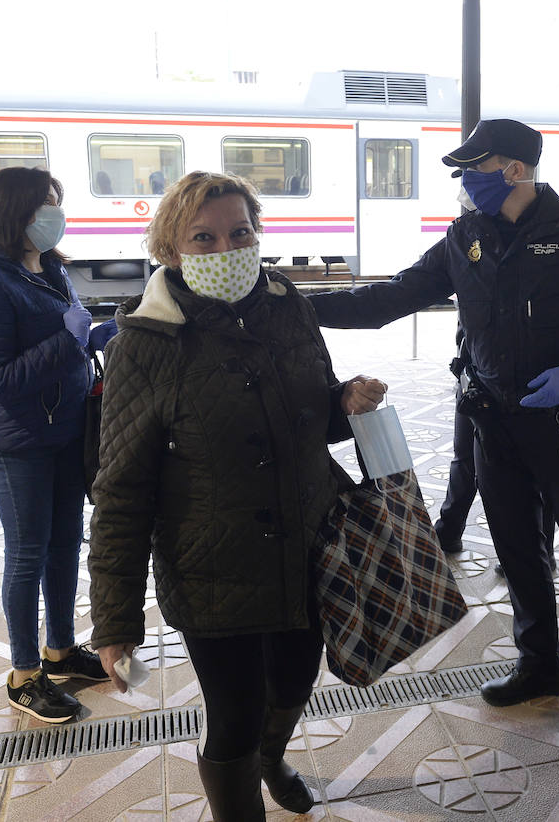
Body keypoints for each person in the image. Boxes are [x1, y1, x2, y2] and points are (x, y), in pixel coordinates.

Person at [309, 120, 559, 741]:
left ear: (513, 169)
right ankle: (540, 667)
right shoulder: (466, 235)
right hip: (493, 423)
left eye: (475, 167)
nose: (465, 181)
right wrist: (294, 302)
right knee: (520, 552)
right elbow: (390, 299)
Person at [86, 171, 386, 820]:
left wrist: (346, 404)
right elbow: (120, 491)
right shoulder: (145, 343)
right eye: (204, 238)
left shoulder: (288, 306)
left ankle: (272, 760)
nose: (227, 250)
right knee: (236, 713)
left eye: (240, 232)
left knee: (296, 681)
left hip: (306, 547)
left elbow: (317, 414)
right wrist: (114, 621)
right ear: (170, 250)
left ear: (258, 235)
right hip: (211, 567)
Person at [0, 166, 118, 723]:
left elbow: (61, 337)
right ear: (12, 210)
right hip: (17, 439)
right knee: (27, 553)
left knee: (65, 542)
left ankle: (61, 650)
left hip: (64, 428)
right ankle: (24, 674)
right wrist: (70, 340)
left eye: (56, 202)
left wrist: (95, 337)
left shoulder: (45, 265)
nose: (55, 214)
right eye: (45, 204)